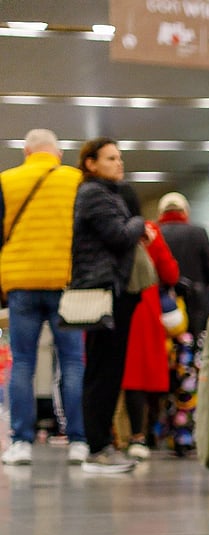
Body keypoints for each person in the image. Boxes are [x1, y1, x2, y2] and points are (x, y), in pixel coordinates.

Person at [0, 129, 89, 466]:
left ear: (26, 152)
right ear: (58, 154)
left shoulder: (7, 180)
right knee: (71, 362)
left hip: (21, 282)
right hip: (66, 281)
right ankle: (78, 440)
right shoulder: (75, 179)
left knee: (22, 362)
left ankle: (21, 442)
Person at [70, 137, 155, 474]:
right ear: (90, 163)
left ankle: (101, 445)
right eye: (110, 158)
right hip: (104, 290)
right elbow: (120, 235)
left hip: (113, 290)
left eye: (119, 158)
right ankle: (97, 447)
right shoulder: (93, 193)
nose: (119, 164)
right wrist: (141, 224)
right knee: (102, 372)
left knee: (107, 370)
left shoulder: (106, 193)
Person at [119, 216, 179, 460]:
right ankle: (142, 435)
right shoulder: (149, 231)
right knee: (141, 375)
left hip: (110, 303)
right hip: (144, 306)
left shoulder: (104, 228)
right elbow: (171, 273)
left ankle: (110, 437)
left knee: (113, 374)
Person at [156, 193, 209, 339]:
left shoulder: (155, 233)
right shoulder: (198, 233)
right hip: (197, 304)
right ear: (185, 212)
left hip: (166, 307)